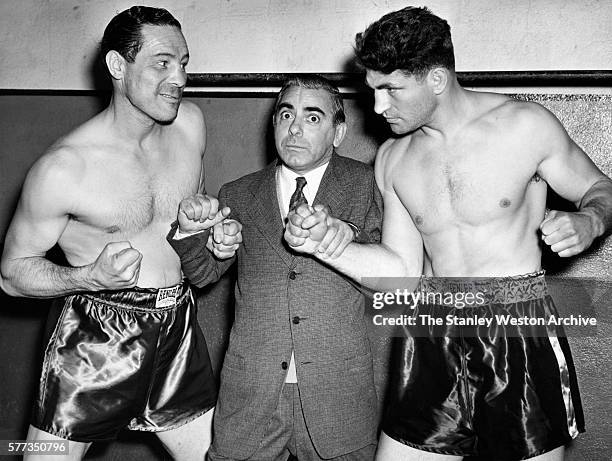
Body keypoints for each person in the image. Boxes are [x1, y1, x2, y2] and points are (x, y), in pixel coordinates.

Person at [284, 6, 612, 461]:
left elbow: (601, 188)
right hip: (432, 330)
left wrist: (589, 220)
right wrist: (323, 247)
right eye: (373, 89)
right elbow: (400, 270)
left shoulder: (525, 126)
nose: (378, 107)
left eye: (391, 90)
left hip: (516, 330)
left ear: (436, 79)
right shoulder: (394, 159)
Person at [0, 6, 234, 460]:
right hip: (95, 337)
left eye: (184, 63)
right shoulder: (64, 168)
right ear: (117, 66)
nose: (180, 78)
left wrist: (208, 236)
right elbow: (10, 274)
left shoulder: (190, 126)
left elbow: (187, 240)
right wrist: (86, 277)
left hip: (177, 327)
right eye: (162, 63)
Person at [167, 74, 383, 460]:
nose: (295, 129)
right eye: (286, 115)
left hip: (338, 392)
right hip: (253, 390)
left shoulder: (369, 184)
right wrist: (195, 235)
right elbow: (202, 275)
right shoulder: (238, 192)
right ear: (273, 124)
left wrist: (345, 234)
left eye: (313, 118)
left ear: (339, 132)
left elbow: (393, 277)